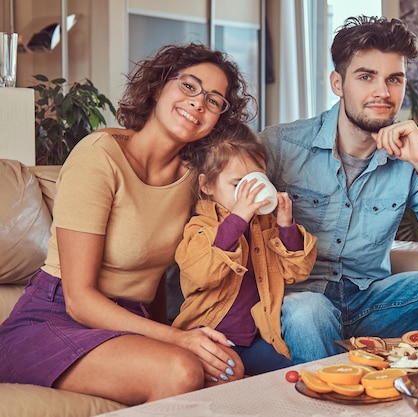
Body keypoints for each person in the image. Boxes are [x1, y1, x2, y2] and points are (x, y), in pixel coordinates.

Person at [0, 43, 255, 404]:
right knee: (180, 370)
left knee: (230, 369)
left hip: (130, 321)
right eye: (189, 86)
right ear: (157, 87)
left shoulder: (195, 179)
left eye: (214, 100)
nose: (198, 103)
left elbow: (156, 283)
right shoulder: (99, 157)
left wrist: (181, 332)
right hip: (54, 318)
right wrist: (177, 340)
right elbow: (79, 301)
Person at [258, 15, 418, 364]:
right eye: (366, 77)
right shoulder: (279, 146)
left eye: (394, 79)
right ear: (337, 82)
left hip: (372, 301)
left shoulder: (414, 154)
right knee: (308, 311)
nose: (383, 92)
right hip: (301, 299)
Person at [171, 123, 317, 375]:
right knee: (229, 373)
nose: (250, 195)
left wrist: (286, 225)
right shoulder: (201, 226)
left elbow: (297, 272)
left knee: (293, 375)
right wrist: (237, 218)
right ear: (207, 186)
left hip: (253, 340)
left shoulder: (265, 225)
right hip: (208, 334)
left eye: (258, 181)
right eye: (238, 185)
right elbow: (200, 274)